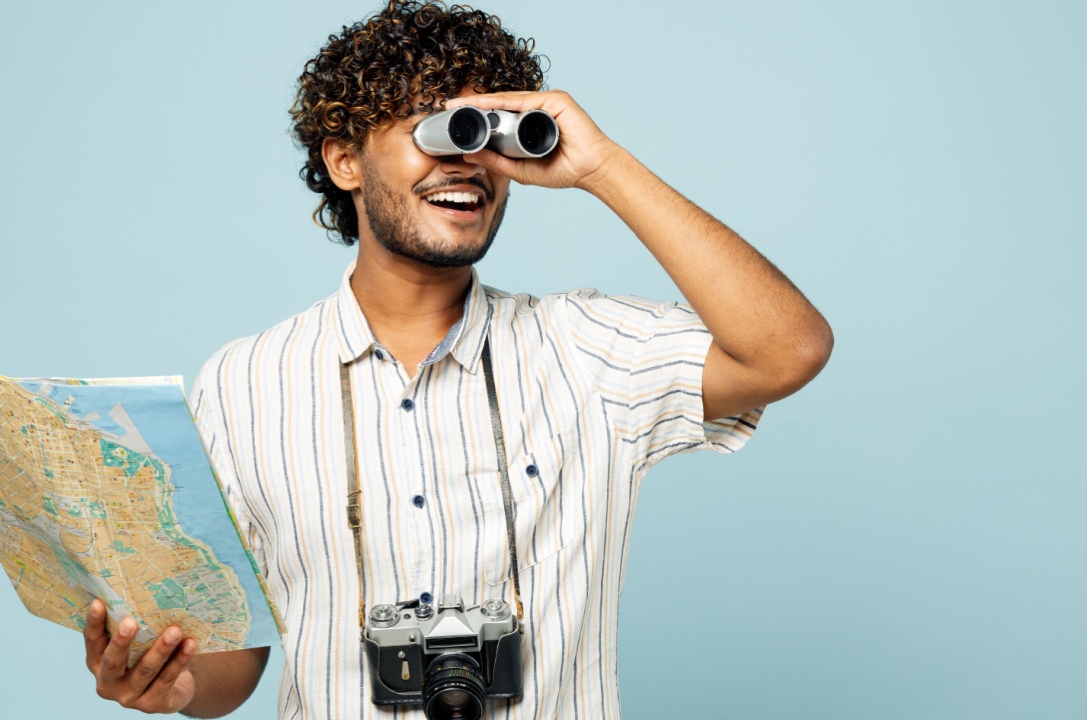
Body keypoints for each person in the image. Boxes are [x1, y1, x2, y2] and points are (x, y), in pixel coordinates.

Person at [80, 1, 833, 717]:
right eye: (435, 130)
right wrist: (172, 683)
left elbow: (788, 349)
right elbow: (232, 662)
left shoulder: (585, 351)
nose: (467, 161)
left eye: (489, 135)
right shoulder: (242, 383)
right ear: (344, 160)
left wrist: (602, 166)